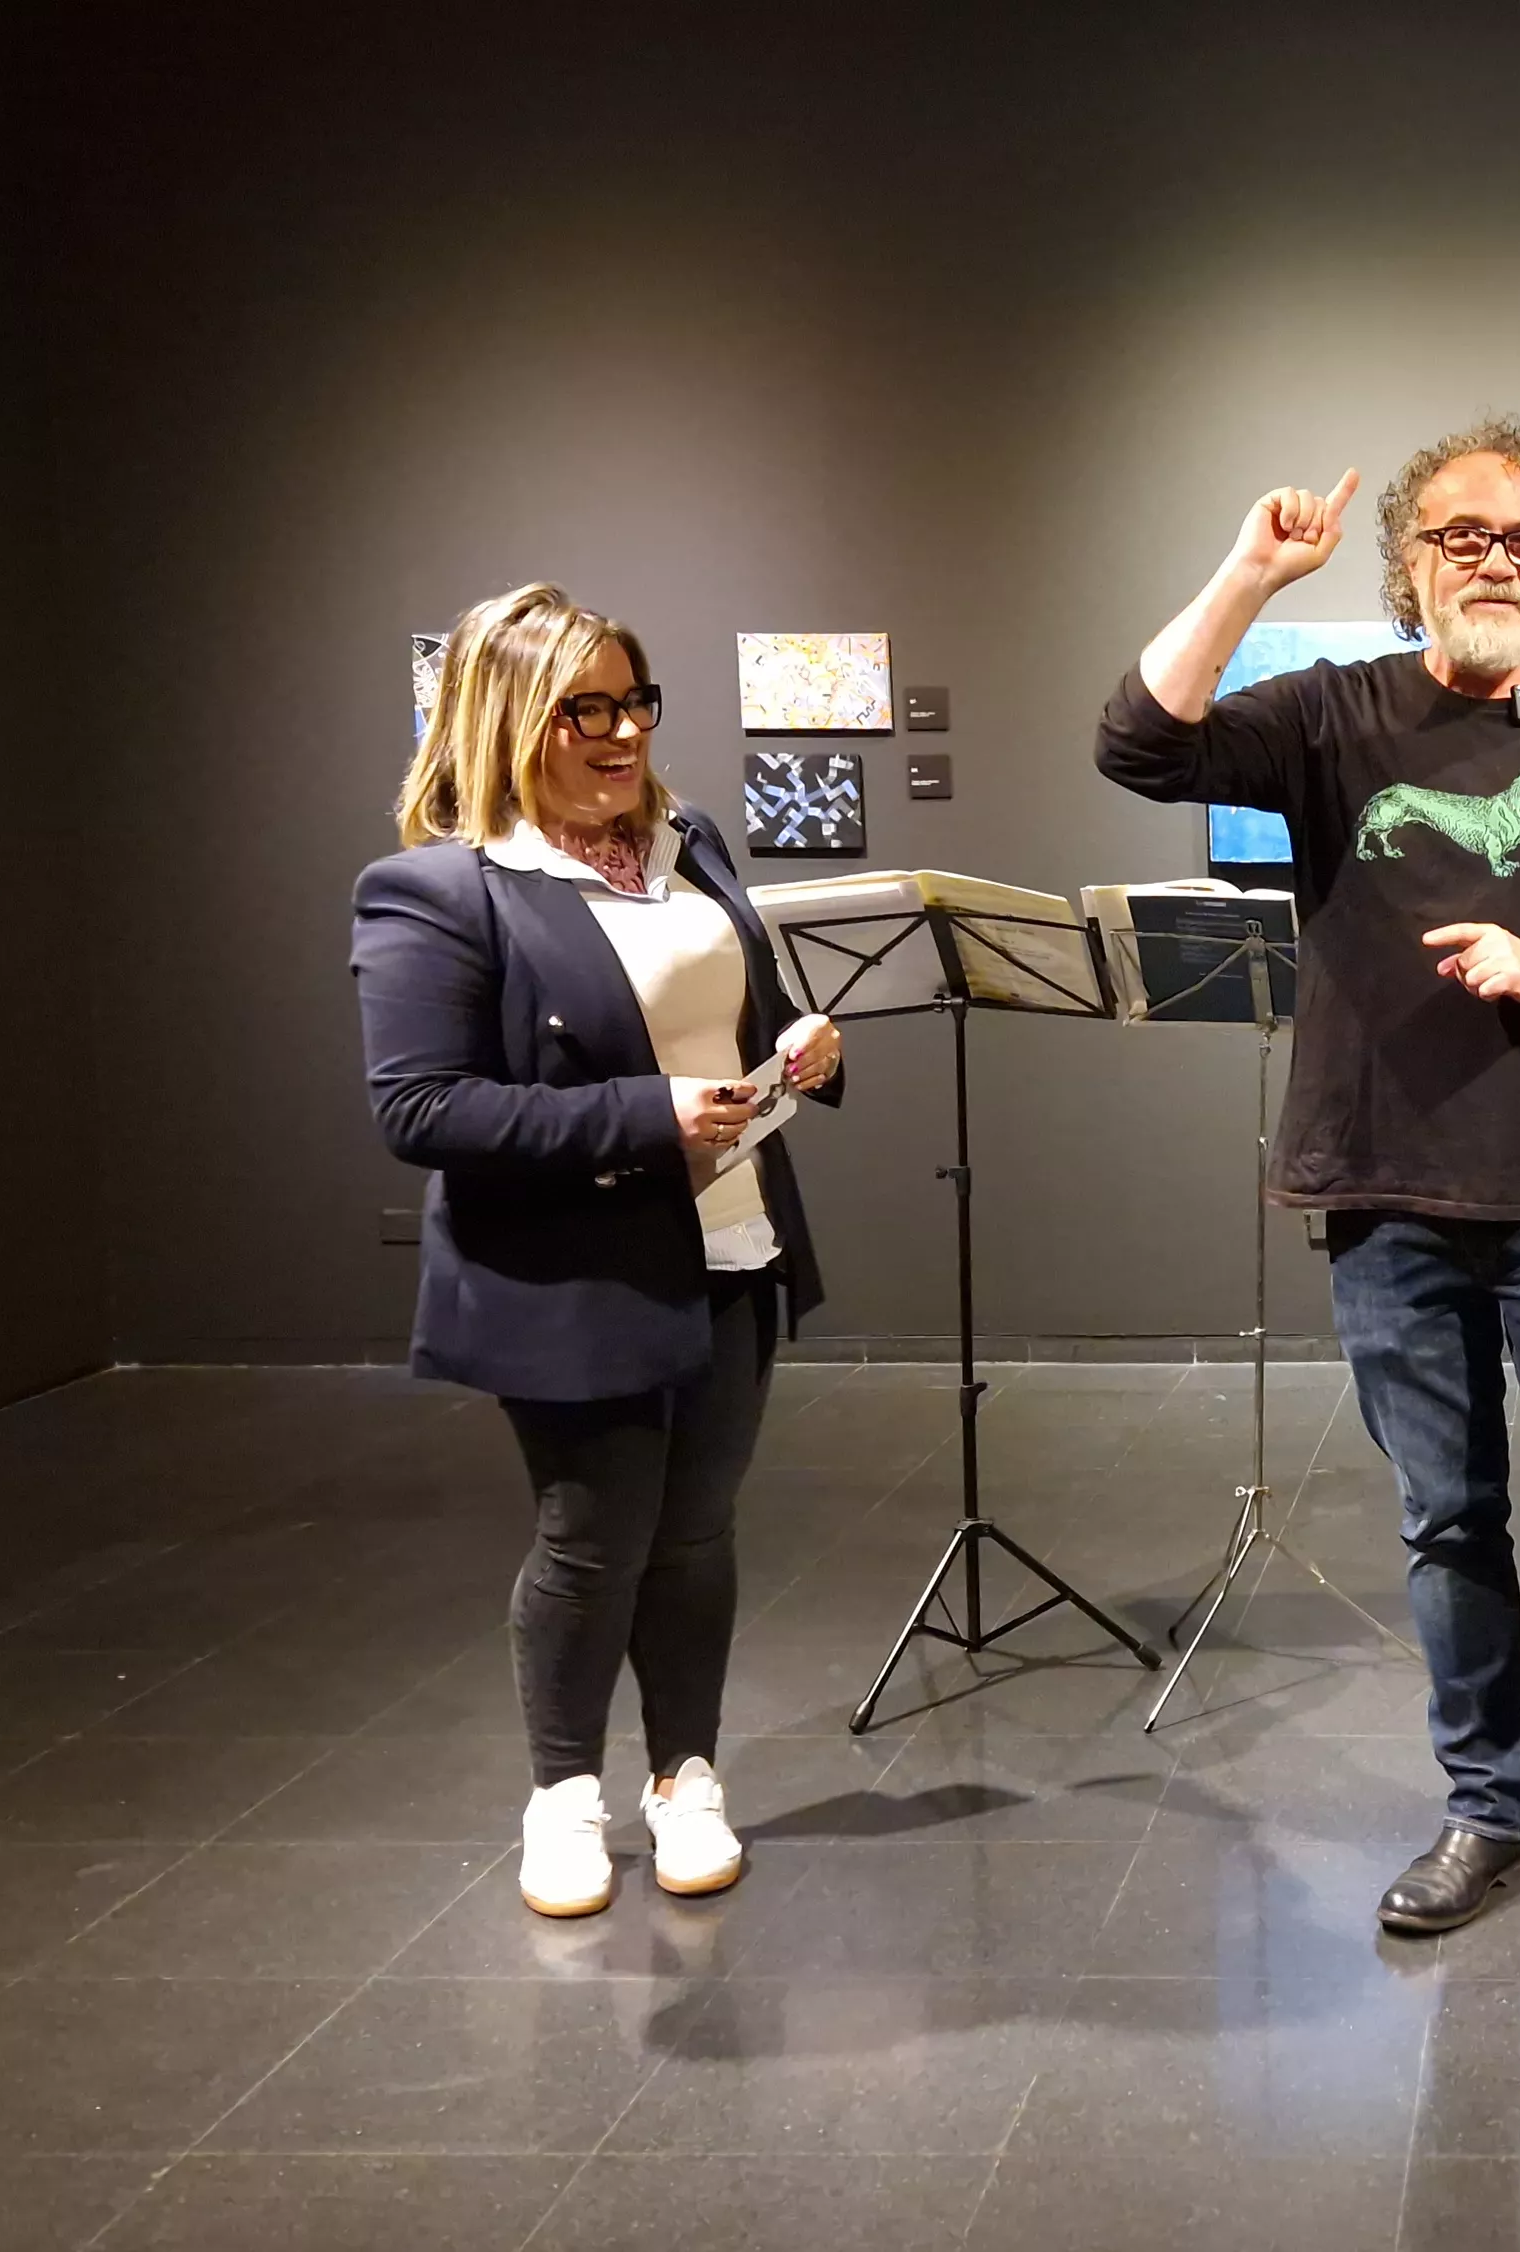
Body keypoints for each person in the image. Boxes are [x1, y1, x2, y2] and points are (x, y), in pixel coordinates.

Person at [1094, 416, 1520, 1934]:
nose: (1494, 561)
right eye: (1461, 535)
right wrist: (1248, 574)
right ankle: (1490, 1808)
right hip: (1381, 1186)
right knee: (1449, 1518)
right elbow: (1137, 742)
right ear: (1409, 561)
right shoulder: (1332, 717)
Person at [351, 583, 844, 1919]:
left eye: (634, 702)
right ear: (508, 718)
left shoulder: (693, 844)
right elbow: (421, 1109)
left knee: (697, 1532)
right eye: (586, 710)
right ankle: (564, 1796)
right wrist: (645, 1115)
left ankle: (686, 1776)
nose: (624, 733)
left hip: (731, 1239)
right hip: (575, 1266)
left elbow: (728, 1012)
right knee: (593, 1541)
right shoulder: (441, 890)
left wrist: (795, 1048)